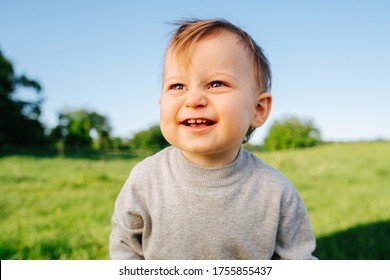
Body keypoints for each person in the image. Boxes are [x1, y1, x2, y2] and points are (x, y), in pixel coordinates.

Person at [110, 18, 316, 259]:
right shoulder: (145, 180)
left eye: (216, 84)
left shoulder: (275, 192)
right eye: (177, 86)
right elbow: (125, 247)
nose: (193, 99)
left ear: (258, 109)